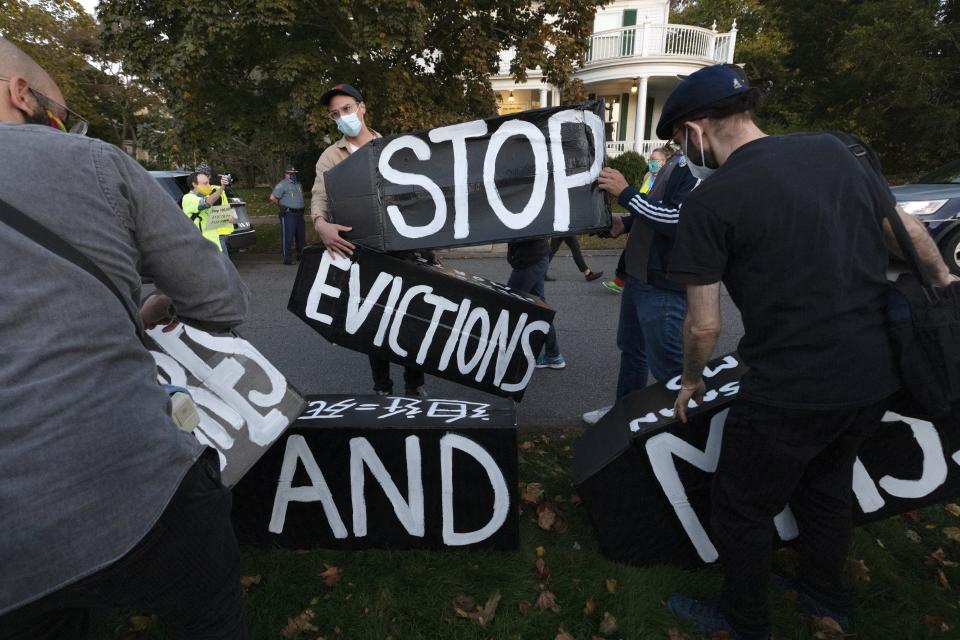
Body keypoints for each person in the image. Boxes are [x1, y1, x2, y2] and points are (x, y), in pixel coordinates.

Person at [661, 64, 958, 640]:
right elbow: (909, 234)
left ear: (696, 129)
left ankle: (744, 621)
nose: (682, 152)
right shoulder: (834, 151)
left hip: (790, 387)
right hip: (874, 373)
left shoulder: (711, 200)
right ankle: (826, 597)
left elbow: (703, 325)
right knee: (826, 487)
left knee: (741, 507)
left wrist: (690, 381)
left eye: (678, 140)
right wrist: (946, 290)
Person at [0, 38, 249, 639]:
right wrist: (158, 303)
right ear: (19, 92)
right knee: (208, 612)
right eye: (62, 117)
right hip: (136, 485)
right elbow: (221, 302)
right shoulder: (93, 162)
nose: (65, 130)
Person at [310, 83, 428, 396]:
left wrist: (430, 249)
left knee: (411, 318)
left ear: (362, 108)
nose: (342, 117)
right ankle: (382, 387)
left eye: (347, 109)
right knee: (374, 322)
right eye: (335, 114)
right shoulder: (330, 157)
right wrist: (320, 223)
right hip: (361, 250)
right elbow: (320, 195)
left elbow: (416, 199)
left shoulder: (393, 149)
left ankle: (415, 386)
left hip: (403, 249)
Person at [581, 143, 697, 424]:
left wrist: (626, 192)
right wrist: (626, 223)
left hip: (663, 285)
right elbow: (656, 208)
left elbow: (677, 219)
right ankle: (625, 414)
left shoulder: (697, 168)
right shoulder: (678, 160)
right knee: (633, 349)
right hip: (639, 276)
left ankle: (687, 428)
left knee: (668, 363)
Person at [601, 147, 674, 294]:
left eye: (655, 160)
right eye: (650, 160)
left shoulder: (669, 179)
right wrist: (626, 222)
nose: (652, 163)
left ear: (665, 162)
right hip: (638, 220)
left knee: (629, 251)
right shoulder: (648, 176)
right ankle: (622, 280)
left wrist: (625, 193)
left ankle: (620, 280)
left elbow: (662, 212)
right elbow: (643, 199)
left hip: (651, 236)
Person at [507, 238, 565, 369]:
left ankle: (502, 353)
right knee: (540, 308)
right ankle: (553, 355)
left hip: (529, 261)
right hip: (538, 257)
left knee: (510, 305)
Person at [181, 170, 235, 253]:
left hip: (215, 245)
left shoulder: (210, 193)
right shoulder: (188, 198)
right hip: (202, 248)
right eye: (205, 183)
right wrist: (222, 187)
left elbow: (219, 209)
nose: (209, 186)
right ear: (194, 184)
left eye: (208, 183)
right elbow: (207, 203)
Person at [271, 165, 306, 265]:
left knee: (301, 236)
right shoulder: (282, 185)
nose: (293, 175)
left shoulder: (298, 184)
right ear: (286, 174)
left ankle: (301, 255)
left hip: (299, 214)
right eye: (291, 173)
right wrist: (282, 206)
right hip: (288, 214)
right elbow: (273, 197)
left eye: (294, 173)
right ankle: (287, 258)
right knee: (288, 236)